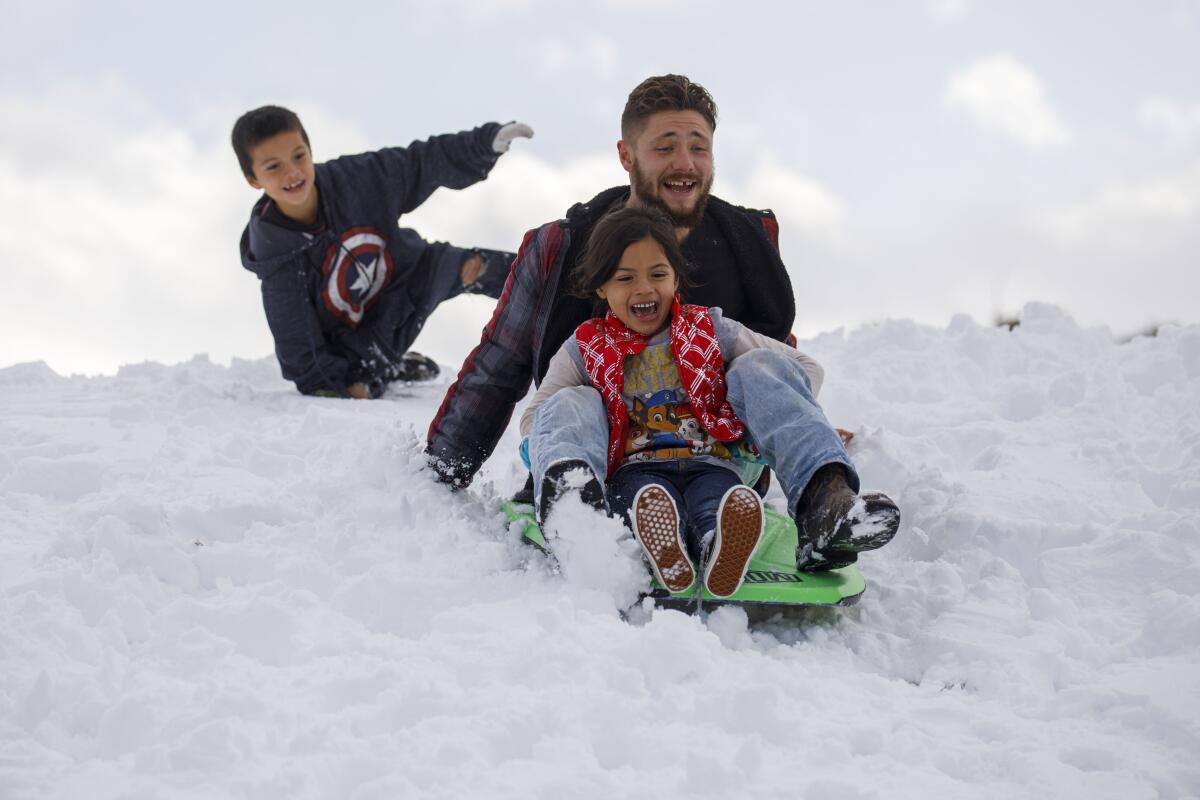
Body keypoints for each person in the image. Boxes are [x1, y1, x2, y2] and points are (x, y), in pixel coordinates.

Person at [426, 74, 796, 485]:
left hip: (720, 473)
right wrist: (441, 474)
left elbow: (773, 368)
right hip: (599, 467)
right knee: (574, 401)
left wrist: (806, 444)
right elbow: (497, 368)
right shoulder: (560, 245)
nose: (685, 163)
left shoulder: (748, 242)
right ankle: (571, 502)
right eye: (665, 147)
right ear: (627, 155)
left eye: (698, 147)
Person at [524, 207, 900, 590]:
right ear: (601, 288)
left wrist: (780, 418)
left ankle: (766, 529)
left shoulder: (710, 329)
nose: (644, 288)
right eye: (625, 278)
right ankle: (583, 515)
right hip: (635, 472)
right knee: (582, 417)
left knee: (759, 373)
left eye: (658, 274)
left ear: (675, 279)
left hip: (714, 463)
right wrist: (547, 448)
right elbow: (540, 415)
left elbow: (803, 368)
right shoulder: (585, 348)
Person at [233, 105, 533, 398]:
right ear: (253, 179)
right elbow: (299, 350)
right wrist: (341, 383)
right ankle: (387, 367)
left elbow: (418, 163)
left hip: (409, 276)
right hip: (361, 343)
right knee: (361, 386)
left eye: (299, 156)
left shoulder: (352, 181)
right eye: (274, 166)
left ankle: (566, 299)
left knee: (477, 266)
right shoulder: (277, 257)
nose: (293, 172)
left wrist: (482, 144)